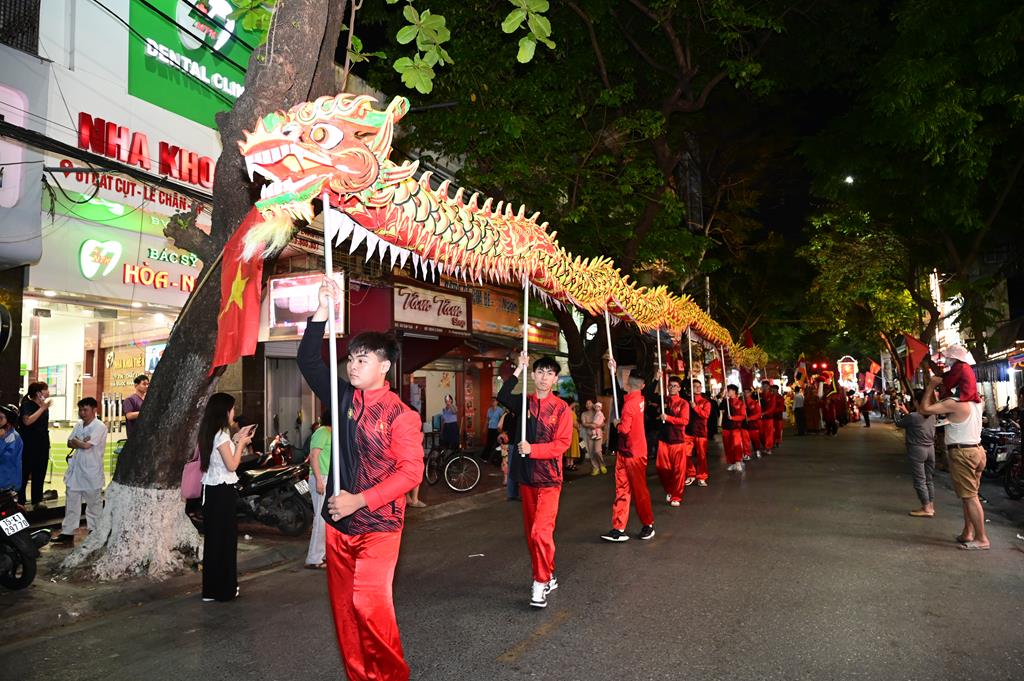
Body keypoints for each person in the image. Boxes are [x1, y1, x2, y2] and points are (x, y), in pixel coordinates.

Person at [298, 277, 424, 678]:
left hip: (379, 527)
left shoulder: (402, 415)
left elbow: (411, 472)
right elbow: (308, 362)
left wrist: (362, 499)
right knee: (346, 613)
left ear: (383, 366)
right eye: (351, 358)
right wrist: (320, 311)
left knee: (371, 605)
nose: (353, 365)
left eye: (362, 359)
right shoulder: (342, 399)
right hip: (338, 525)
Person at [497, 351, 572, 608]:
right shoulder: (525, 402)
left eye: (549, 373)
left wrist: (534, 450)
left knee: (541, 532)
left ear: (555, 379)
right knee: (533, 535)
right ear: (533, 375)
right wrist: (518, 368)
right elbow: (503, 396)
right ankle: (548, 573)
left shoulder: (561, 408)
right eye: (539, 372)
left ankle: (539, 582)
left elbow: (562, 444)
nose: (543, 377)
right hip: (526, 478)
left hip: (550, 479)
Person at [918, 367, 988, 550]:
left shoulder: (954, 403)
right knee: (970, 496)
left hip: (963, 453)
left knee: (970, 497)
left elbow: (924, 409)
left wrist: (930, 387)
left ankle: (982, 539)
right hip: (978, 451)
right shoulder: (977, 402)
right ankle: (968, 532)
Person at [198, 393, 253, 601]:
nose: (234, 413)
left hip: (212, 490)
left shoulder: (211, 432)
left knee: (214, 541)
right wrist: (240, 445)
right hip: (223, 491)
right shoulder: (221, 435)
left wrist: (237, 440)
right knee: (225, 541)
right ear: (224, 411)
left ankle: (211, 590)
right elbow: (232, 465)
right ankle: (225, 589)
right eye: (232, 408)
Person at [601, 363, 655, 542]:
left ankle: (648, 524)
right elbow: (621, 393)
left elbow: (624, 429)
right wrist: (613, 370)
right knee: (624, 489)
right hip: (629, 452)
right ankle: (619, 528)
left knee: (634, 491)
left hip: (633, 453)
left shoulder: (630, 405)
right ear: (643, 385)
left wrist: (616, 423)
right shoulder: (639, 399)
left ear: (628, 383)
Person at [51, 397, 108, 546]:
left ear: (94, 410)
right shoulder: (78, 425)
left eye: (86, 410)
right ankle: (68, 532)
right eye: (81, 410)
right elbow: (70, 442)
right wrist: (79, 442)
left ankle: (95, 531)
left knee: (93, 504)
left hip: (91, 470)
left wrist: (79, 442)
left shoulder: (99, 426)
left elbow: (86, 446)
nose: (82, 413)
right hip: (76, 471)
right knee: (72, 502)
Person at [895, 390, 936, 518]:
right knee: (929, 480)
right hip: (930, 449)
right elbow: (916, 421)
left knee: (919, 480)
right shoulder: (932, 415)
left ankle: (926, 507)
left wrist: (897, 410)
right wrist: (906, 411)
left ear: (918, 402)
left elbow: (899, 422)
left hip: (917, 450)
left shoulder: (913, 417)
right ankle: (931, 506)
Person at [654, 374, 690, 507]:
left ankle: (676, 495)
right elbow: (649, 396)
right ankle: (669, 490)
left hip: (678, 440)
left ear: (679, 388)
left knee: (678, 470)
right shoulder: (664, 400)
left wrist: (668, 418)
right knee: (662, 468)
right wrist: (656, 379)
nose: (672, 388)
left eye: (675, 386)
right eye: (670, 385)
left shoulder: (683, 403)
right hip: (664, 440)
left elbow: (684, 421)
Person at [17, 381, 51, 507]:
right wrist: (42, 408)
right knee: (25, 472)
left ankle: (37, 500)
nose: (48, 392)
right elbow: (27, 421)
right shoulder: (27, 404)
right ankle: (20, 501)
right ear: (38, 393)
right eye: (46, 389)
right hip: (29, 443)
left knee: (40, 471)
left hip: (42, 443)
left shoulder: (44, 407)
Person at [306, 411, 332, 569]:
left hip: (328, 478)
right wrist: (319, 481)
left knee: (326, 518)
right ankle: (314, 558)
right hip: (321, 477)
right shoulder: (322, 432)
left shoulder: (332, 433)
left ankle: (322, 555)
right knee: (321, 518)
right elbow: (314, 456)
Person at [685, 380, 711, 487]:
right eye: (695, 386)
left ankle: (702, 476)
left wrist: (695, 407)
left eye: (699, 386)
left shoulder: (706, 402)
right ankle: (691, 474)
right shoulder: (686, 401)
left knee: (702, 456)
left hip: (701, 432)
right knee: (685, 454)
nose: (697, 388)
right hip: (688, 432)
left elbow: (705, 415)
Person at [721, 385, 746, 472]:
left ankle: (738, 461)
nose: (728, 392)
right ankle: (731, 462)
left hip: (735, 427)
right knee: (727, 446)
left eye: (729, 390)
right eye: (727, 390)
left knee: (736, 445)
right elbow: (720, 407)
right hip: (726, 427)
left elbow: (742, 416)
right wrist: (724, 397)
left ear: (734, 391)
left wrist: (733, 418)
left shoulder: (740, 403)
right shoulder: (726, 401)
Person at [580, 400, 607, 476]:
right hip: (589, 435)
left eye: (589, 403)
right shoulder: (584, 414)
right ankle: (596, 468)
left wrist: (597, 426)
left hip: (598, 434)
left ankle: (602, 465)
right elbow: (584, 423)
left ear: (593, 404)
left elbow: (603, 423)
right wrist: (591, 425)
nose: (588, 405)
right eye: (586, 403)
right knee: (591, 452)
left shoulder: (598, 412)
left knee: (597, 451)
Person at [0, 404, 23, 491]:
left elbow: (5, 458)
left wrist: (1, 440)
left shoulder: (12, 437)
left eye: (1, 418)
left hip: (7, 483)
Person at [122, 374, 149, 439]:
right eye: (144, 384)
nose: (147, 386)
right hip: (135, 436)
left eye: (148, 384)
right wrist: (146, 412)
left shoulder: (149, 399)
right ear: (136, 385)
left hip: (147, 434)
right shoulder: (130, 400)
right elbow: (129, 415)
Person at [743, 388, 763, 461]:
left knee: (755, 439)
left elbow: (759, 414)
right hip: (744, 425)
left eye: (747, 392)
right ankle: (747, 454)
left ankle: (757, 450)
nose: (746, 394)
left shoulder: (755, 403)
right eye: (744, 393)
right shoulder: (742, 403)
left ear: (750, 393)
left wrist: (750, 418)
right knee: (745, 440)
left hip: (753, 424)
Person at [484, 398, 505, 463]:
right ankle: (486, 458)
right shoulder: (489, 410)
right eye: (492, 401)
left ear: (497, 402)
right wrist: (484, 427)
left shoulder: (500, 410)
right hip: (490, 428)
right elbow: (487, 420)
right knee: (489, 443)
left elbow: (502, 419)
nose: (492, 402)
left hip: (497, 429)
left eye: (494, 401)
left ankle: (496, 459)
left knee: (497, 444)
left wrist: (501, 429)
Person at [563, 396, 581, 472]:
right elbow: (574, 423)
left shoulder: (566, 411)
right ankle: (571, 463)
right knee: (573, 446)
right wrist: (578, 427)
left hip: (567, 431)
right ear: (572, 403)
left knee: (569, 447)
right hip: (573, 431)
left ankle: (569, 463)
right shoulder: (570, 412)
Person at [758, 380, 775, 456]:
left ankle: (768, 448)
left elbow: (772, 408)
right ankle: (765, 446)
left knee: (769, 433)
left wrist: (764, 413)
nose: (764, 387)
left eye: (765, 386)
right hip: (761, 418)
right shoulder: (759, 395)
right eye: (763, 386)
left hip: (769, 418)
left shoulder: (772, 396)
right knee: (761, 433)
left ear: (768, 387)